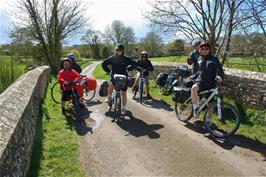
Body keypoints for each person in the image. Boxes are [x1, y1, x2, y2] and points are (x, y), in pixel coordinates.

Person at [190, 41, 224, 118]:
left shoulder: (214, 59)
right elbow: (200, 71)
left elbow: (219, 69)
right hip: (201, 81)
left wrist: (219, 76)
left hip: (210, 83)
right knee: (194, 88)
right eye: (202, 49)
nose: (204, 50)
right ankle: (195, 108)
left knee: (210, 103)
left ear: (209, 50)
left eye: (206, 49)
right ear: (200, 50)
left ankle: (208, 121)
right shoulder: (199, 58)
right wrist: (194, 76)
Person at [102, 43, 138, 115]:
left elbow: (135, 64)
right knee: (111, 87)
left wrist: (129, 68)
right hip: (114, 76)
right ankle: (109, 97)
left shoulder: (126, 58)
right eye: (117, 50)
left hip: (124, 77)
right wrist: (108, 71)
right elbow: (104, 64)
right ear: (116, 50)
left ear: (123, 51)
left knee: (124, 93)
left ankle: (124, 108)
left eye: (120, 50)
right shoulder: (112, 58)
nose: (119, 51)